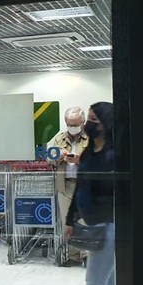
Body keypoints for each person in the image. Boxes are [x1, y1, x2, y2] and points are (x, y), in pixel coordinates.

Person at [63, 101, 116, 285]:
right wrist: (70, 218)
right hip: (92, 224)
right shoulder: (89, 153)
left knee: (95, 284)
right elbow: (80, 187)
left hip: (109, 226)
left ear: (107, 124)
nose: (89, 125)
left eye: (95, 120)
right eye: (89, 120)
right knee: (112, 283)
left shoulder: (115, 156)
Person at [48, 107, 90, 264]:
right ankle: (73, 255)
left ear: (83, 122)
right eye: (69, 124)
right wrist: (57, 158)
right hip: (64, 186)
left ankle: (86, 255)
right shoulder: (59, 139)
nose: (72, 127)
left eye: (75, 124)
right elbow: (49, 160)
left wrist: (81, 160)